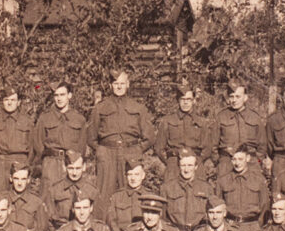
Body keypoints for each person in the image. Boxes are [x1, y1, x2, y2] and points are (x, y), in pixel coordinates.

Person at [88, 69, 155, 205]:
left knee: (131, 191)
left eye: (122, 83)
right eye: (115, 83)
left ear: (128, 84)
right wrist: (102, 151)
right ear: (111, 85)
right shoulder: (100, 108)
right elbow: (90, 137)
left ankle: (131, 224)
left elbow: (150, 137)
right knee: (104, 193)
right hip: (107, 154)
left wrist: (136, 150)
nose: (119, 86)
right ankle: (104, 225)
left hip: (130, 153)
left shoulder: (138, 108)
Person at [33, 81, 88, 191]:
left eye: (62, 94)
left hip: (71, 164)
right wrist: (44, 164)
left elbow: (82, 146)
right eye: (56, 95)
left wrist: (76, 165)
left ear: (69, 95)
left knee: (69, 198)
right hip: (51, 163)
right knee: (48, 198)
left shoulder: (79, 119)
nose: (59, 98)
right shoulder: (45, 118)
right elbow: (38, 144)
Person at [154, 82, 212, 183]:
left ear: (194, 100)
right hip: (174, 164)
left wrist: (196, 162)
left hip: (195, 165)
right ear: (178, 101)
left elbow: (208, 148)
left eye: (188, 99)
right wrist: (170, 162)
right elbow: (159, 148)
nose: (185, 102)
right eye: (182, 99)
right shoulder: (167, 121)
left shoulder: (201, 122)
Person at [0, 85, 35, 194]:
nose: (9, 103)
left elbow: (32, 149)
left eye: (13, 100)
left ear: (19, 102)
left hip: (20, 163)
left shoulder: (27, 122)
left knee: (20, 199)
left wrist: (26, 166)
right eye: (6, 100)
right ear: (2, 102)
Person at [215, 143, 270, 231]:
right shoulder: (222, 181)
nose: (237, 163)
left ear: (248, 158)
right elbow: (218, 206)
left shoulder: (258, 180)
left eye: (240, 159)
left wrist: (258, 227)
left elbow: (265, 206)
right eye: (234, 159)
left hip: (252, 227)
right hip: (230, 227)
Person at [212, 81, 265, 179]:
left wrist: (257, 162)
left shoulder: (255, 117)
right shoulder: (221, 117)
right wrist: (220, 162)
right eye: (231, 96)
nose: (234, 100)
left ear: (245, 97)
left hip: (251, 163)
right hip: (227, 162)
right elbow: (213, 145)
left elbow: (262, 145)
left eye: (238, 96)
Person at [161, 149, 218, 231]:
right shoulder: (167, 187)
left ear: (196, 167)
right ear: (179, 166)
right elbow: (162, 217)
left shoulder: (206, 188)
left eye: (190, 165)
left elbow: (213, 215)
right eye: (183, 165)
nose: (186, 169)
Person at [45, 151, 98, 231]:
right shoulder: (55, 189)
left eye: (78, 168)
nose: (74, 173)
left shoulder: (91, 190)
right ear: (64, 167)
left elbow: (97, 219)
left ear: (84, 167)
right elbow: (48, 218)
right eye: (71, 168)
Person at [105, 158, 148, 231]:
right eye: (130, 174)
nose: (133, 178)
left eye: (136, 174)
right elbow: (111, 221)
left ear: (143, 175)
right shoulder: (116, 197)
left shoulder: (150, 196)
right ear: (126, 176)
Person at [7, 164, 49, 231]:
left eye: (23, 179)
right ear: (10, 178)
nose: (19, 183)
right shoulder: (3, 200)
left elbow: (42, 229)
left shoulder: (36, 202)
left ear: (28, 180)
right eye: (16, 178)